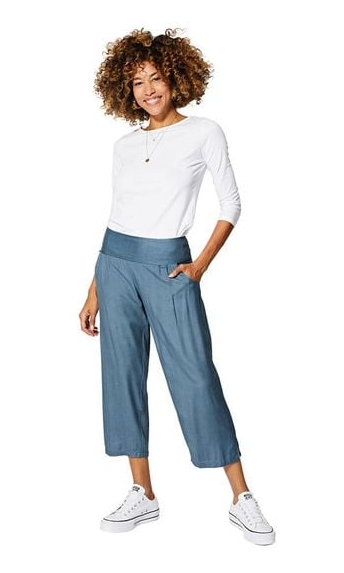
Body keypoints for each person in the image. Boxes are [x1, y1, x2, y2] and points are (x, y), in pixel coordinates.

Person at [79, 27, 275, 545]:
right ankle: (142, 493)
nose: (148, 90)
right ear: (125, 90)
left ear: (175, 78)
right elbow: (117, 214)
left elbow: (231, 204)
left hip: (169, 265)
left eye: (156, 78)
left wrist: (199, 266)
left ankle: (242, 497)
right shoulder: (124, 145)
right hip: (114, 264)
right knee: (121, 375)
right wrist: (94, 288)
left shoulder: (204, 132)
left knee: (195, 376)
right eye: (137, 82)